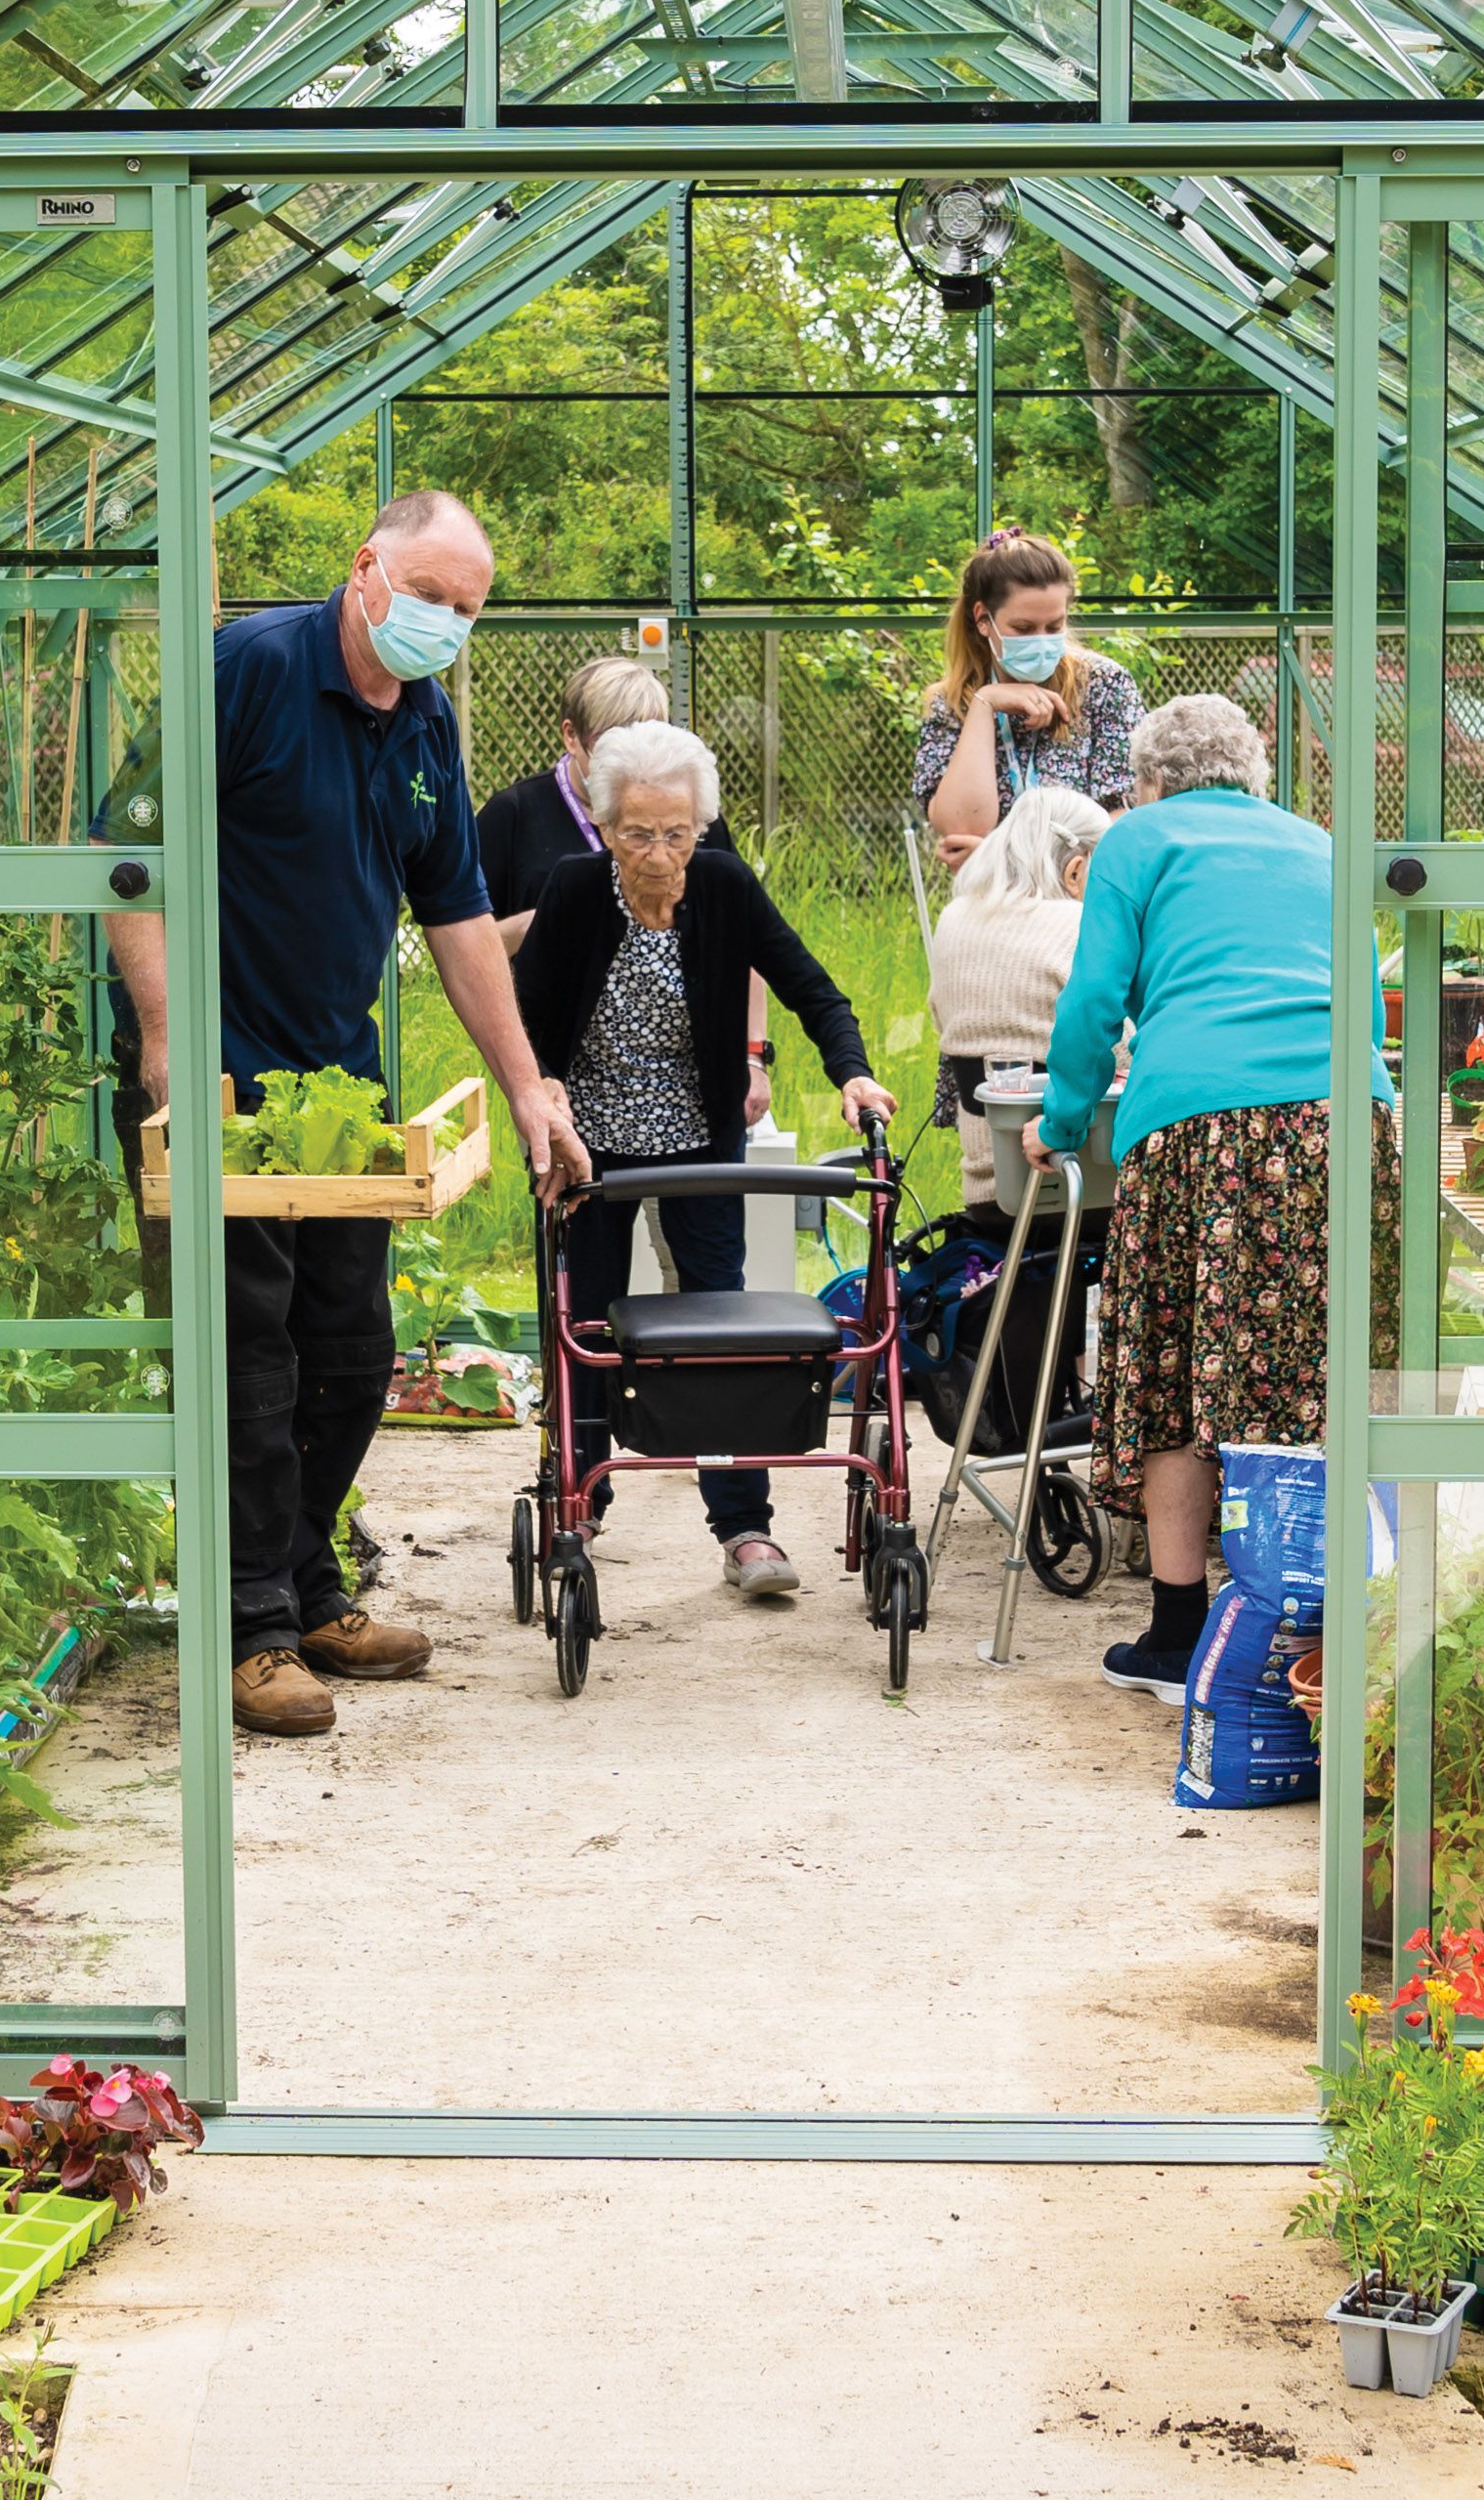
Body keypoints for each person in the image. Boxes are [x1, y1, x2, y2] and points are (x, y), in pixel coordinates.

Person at [104, 490, 591, 1741]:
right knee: (244, 1355)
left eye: (466, 611)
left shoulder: (424, 722)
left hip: (335, 1083)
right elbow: (129, 856)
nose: (444, 624)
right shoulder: (247, 670)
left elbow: (460, 919)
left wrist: (526, 1081)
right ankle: (249, 1627)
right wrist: (164, 1038)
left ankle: (308, 1585)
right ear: (366, 568)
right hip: (216, 1077)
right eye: (428, 594)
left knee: (352, 1350)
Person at [1031, 692, 1396, 1696]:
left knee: (1174, 1374)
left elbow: (1094, 999)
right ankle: (1323, 1625)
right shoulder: (1322, 843)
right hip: (1343, 1125)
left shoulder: (1136, 840)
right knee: (1331, 1377)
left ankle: (1179, 1635)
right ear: (1257, 775)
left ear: (1146, 782)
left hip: (1201, 1132)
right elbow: (1363, 1002)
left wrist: (1059, 1124)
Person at [505, 720, 894, 1603]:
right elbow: (524, 1021)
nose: (658, 850)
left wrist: (854, 1073)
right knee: (590, 1326)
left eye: (677, 831)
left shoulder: (722, 884)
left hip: (699, 1143)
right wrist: (546, 1094)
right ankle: (582, 1502)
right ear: (603, 826)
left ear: (700, 826)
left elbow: (809, 985)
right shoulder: (570, 892)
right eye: (638, 831)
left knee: (719, 1329)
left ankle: (744, 1524)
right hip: (588, 1147)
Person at [926, 782, 1106, 1214]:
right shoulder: (1077, 924)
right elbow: (1119, 1051)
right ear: (1076, 871)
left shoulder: (953, 920)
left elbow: (939, 1016)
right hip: (1078, 1187)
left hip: (988, 1194)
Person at [910, 531, 1137, 870]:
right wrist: (984, 705)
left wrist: (1003, 861)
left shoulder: (1105, 685)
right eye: (1024, 627)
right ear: (983, 620)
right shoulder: (952, 703)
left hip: (1079, 904)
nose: (1042, 641)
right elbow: (963, 827)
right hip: (990, 908)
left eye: (1054, 626)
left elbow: (1124, 821)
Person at [476, 654, 682, 952]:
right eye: (612, 747)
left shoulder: (688, 815)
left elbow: (738, 932)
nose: (631, 764)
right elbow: (462, 944)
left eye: (648, 744)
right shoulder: (512, 814)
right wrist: (538, 924)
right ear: (571, 735)